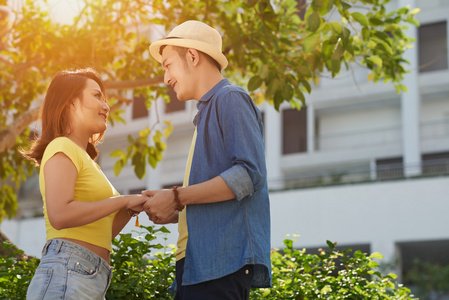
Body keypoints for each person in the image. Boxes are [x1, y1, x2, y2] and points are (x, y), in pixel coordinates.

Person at [144, 20, 271, 300]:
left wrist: (177, 197)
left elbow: (248, 175)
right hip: (197, 265)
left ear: (192, 56)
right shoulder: (206, 114)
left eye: (167, 65)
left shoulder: (230, 99)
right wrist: (174, 207)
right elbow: (220, 197)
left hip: (219, 267)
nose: (165, 78)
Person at [21, 68, 148, 299]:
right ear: (70, 103)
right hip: (68, 272)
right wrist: (123, 199)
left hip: (86, 275)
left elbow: (99, 233)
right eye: (97, 96)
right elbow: (60, 215)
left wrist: (131, 207)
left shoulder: (85, 159)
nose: (106, 106)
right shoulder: (62, 146)